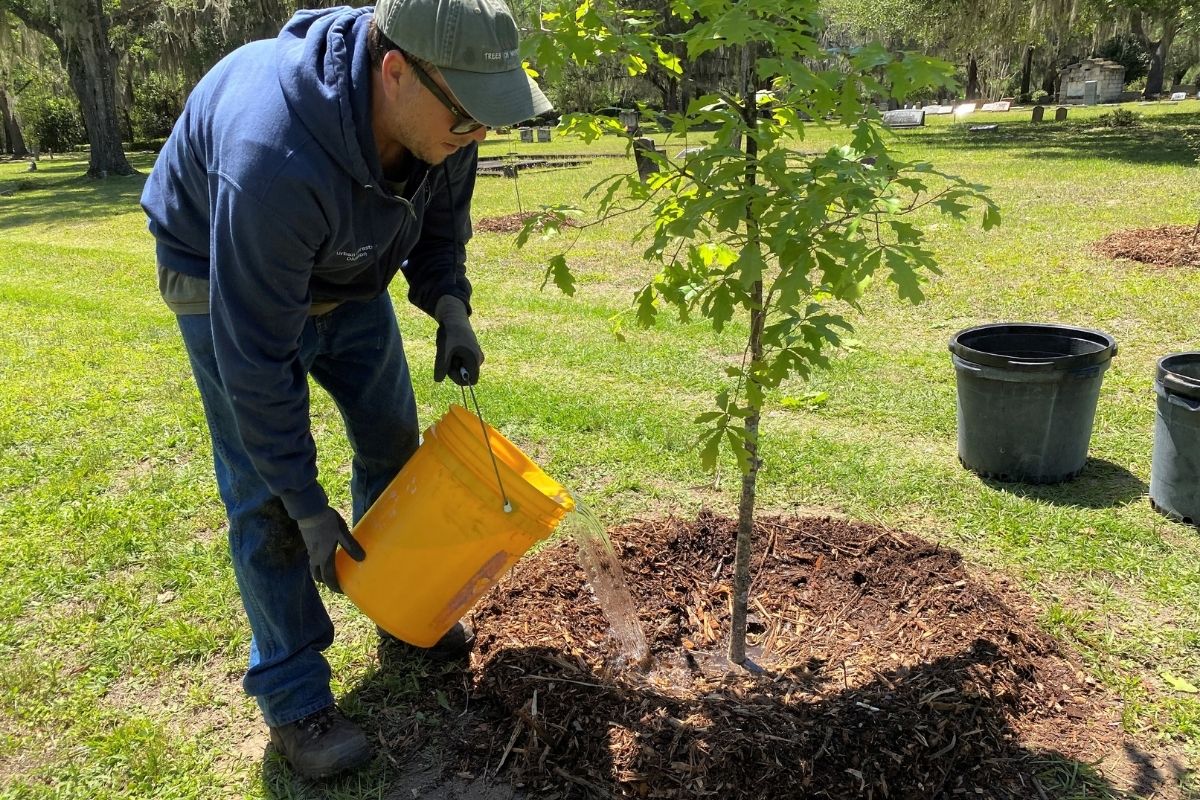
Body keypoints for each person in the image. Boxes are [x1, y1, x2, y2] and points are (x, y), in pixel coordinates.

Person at [139, 0, 551, 779]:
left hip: (349, 265)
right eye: (468, 119)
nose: (479, 135)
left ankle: (399, 602)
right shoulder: (273, 156)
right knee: (264, 499)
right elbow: (255, 362)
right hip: (219, 270)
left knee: (392, 440)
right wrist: (307, 507)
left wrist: (451, 306)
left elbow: (439, 226)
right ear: (394, 71)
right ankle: (296, 701)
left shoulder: (447, 114)